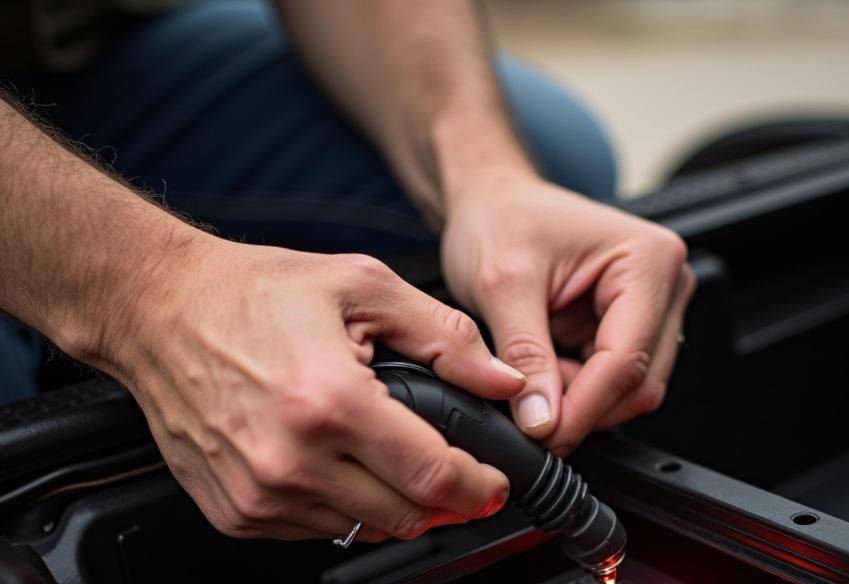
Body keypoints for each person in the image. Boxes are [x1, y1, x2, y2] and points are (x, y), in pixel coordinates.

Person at [0, 0, 694, 545]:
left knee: (560, 153)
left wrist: (482, 171)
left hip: (76, 46)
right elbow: (146, 289)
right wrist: (150, 293)